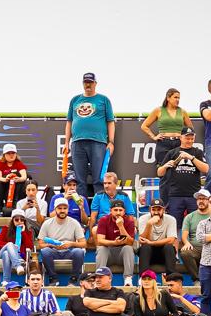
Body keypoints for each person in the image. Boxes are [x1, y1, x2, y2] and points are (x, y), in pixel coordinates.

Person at [65, 72, 115, 200]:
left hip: (98, 142)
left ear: (95, 83)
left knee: (99, 178)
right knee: (79, 180)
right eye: (86, 82)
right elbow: (69, 122)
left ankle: (98, 208)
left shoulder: (103, 100)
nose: (88, 84)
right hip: (77, 142)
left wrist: (111, 142)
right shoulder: (75, 100)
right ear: (83, 84)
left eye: (90, 82)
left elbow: (110, 122)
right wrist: (66, 142)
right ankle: (81, 208)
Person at [155, 128, 207, 226]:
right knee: (175, 224)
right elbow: (159, 173)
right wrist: (165, 166)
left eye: (192, 139)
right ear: (181, 138)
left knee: (195, 224)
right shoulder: (172, 153)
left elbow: (206, 169)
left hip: (193, 195)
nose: (190, 141)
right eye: (187, 138)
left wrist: (191, 157)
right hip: (175, 195)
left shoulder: (198, 152)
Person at [36, 200, 88, 287]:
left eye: (65, 208)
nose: (62, 210)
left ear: (68, 209)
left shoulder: (74, 222)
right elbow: (40, 244)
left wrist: (71, 243)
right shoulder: (47, 223)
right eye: (60, 208)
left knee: (79, 252)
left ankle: (73, 279)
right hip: (53, 250)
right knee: (45, 251)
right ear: (55, 209)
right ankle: (53, 278)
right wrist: (52, 245)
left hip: (69, 250)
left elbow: (84, 244)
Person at [141, 87, 191, 175]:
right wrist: (154, 137)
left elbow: (190, 129)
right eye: (175, 97)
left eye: (179, 98)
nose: (178, 100)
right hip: (163, 143)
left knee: (179, 170)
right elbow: (144, 126)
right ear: (168, 98)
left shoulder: (182, 112)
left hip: (179, 143)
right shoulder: (158, 110)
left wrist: (184, 138)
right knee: (163, 169)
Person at [94, 201, 137, 286]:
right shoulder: (103, 220)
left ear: (124, 211)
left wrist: (121, 226)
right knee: (101, 248)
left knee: (128, 248)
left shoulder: (129, 221)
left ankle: (128, 278)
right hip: (108, 254)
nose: (118, 213)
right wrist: (114, 242)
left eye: (120, 210)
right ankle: (99, 278)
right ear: (110, 210)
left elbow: (130, 242)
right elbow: (100, 240)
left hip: (122, 255)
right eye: (115, 210)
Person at [136, 199, 179, 276]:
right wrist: (149, 224)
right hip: (149, 255)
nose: (156, 212)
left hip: (164, 255)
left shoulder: (171, 219)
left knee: (169, 247)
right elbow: (143, 240)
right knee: (145, 247)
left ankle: (171, 277)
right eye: (153, 209)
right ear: (150, 209)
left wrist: (151, 243)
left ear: (163, 210)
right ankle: (143, 277)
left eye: (159, 209)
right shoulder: (143, 219)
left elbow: (171, 240)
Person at [0, 142, 29, 218]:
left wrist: (18, 179)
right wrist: (6, 179)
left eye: (13, 153)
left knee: (24, 182)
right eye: (8, 153)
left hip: (17, 188)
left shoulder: (18, 163)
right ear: (4, 155)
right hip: (4, 187)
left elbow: (24, 176)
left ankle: (18, 206)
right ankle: (1, 208)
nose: (11, 155)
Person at [0, 210, 33, 278]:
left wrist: (23, 232)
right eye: (16, 220)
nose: (19, 221)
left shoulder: (28, 232)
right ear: (13, 221)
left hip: (20, 255)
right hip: (1, 252)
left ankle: (6, 281)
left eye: (22, 220)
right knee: (9, 245)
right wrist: (11, 246)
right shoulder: (6, 229)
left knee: (6, 254)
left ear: (24, 221)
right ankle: (18, 266)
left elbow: (30, 246)